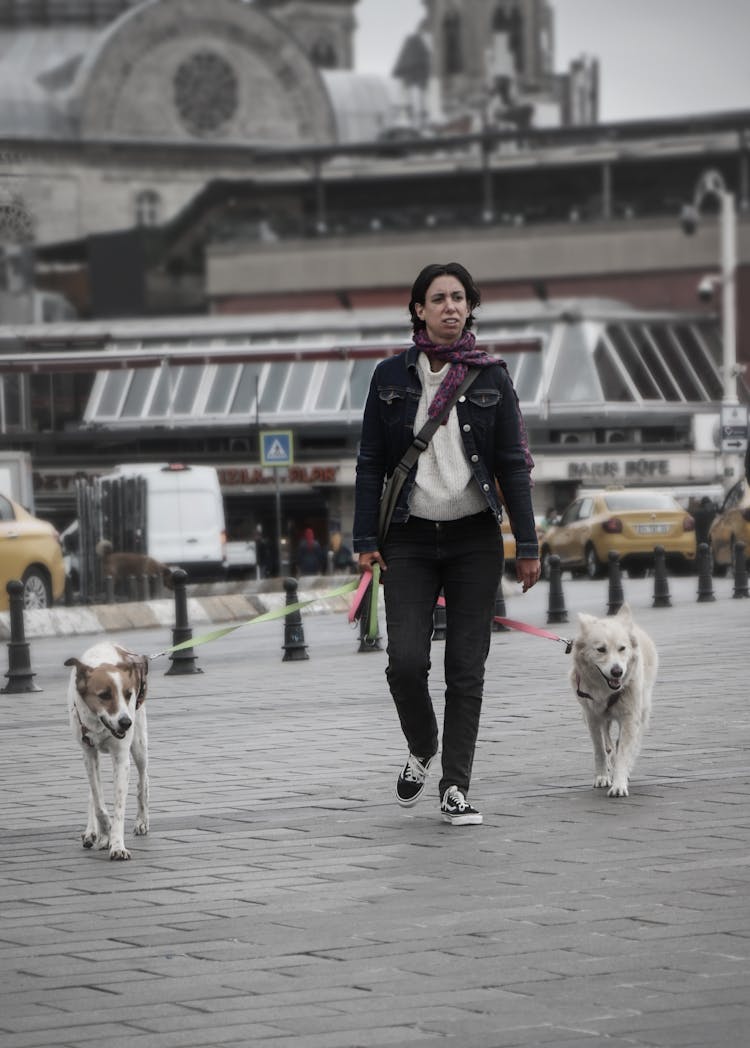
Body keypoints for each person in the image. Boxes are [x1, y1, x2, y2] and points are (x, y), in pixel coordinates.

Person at [353, 261, 540, 827]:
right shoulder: (389, 376)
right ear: (419, 309)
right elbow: (369, 465)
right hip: (407, 538)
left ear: (470, 306)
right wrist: (365, 538)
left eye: (459, 298)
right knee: (405, 663)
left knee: (466, 667)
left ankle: (455, 785)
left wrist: (527, 544)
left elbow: (512, 463)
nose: (451, 307)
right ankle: (422, 744)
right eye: (439, 299)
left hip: (474, 538)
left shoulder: (492, 377)